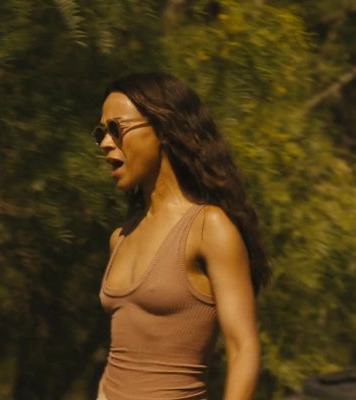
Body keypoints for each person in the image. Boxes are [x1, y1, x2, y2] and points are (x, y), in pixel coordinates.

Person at [93, 72, 270, 400]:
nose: (105, 143)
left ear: (163, 129)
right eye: (100, 133)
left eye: (116, 129)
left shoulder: (208, 228)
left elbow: (243, 348)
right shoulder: (121, 237)